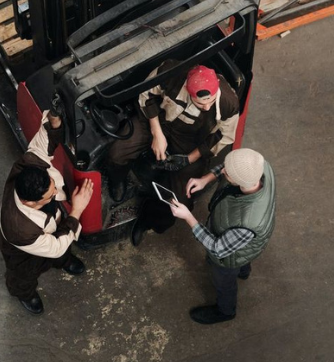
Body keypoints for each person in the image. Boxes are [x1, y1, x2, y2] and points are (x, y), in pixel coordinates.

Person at [107, 60, 240, 246]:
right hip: (158, 120)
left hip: (191, 139)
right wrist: (156, 133)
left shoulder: (229, 103)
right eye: (201, 103)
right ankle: (117, 179)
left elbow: (223, 136)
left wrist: (189, 159)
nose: (207, 108)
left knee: (180, 200)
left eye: (210, 102)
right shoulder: (169, 72)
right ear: (187, 88)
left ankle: (149, 219)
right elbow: (146, 94)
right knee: (118, 151)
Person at [0, 109, 94, 315]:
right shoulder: (18, 228)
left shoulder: (30, 164)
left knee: (61, 235)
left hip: (48, 224)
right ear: (29, 202)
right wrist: (77, 210)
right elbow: (55, 246)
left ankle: (64, 262)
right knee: (23, 274)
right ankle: (24, 293)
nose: (56, 193)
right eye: (50, 196)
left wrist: (54, 121)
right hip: (22, 252)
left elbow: (44, 139)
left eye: (52, 186)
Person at [170, 148, 276, 324]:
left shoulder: (247, 223)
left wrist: (188, 217)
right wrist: (206, 179)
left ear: (239, 181)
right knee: (244, 256)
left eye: (227, 173)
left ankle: (226, 311)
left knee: (224, 281)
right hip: (245, 243)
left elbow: (217, 248)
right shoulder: (259, 166)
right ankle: (244, 271)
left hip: (228, 257)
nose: (223, 171)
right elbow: (232, 167)